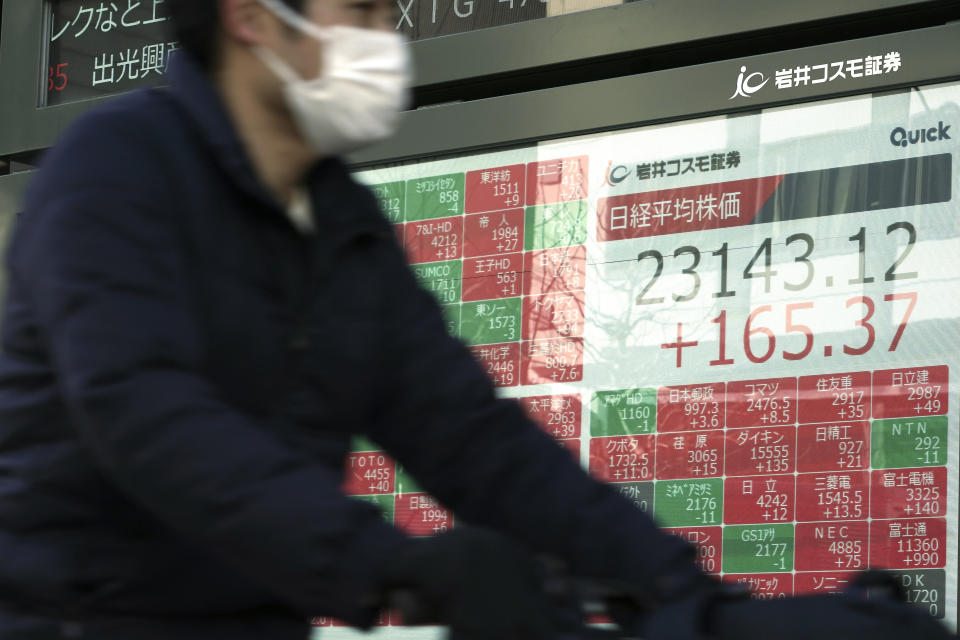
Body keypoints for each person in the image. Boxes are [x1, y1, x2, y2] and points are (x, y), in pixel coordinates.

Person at [0, 2, 953, 640]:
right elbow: (140, 406)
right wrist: (393, 570)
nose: (388, 35)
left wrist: (690, 600)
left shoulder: (342, 226)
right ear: (253, 17)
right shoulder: (117, 165)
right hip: (67, 618)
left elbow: (471, 437)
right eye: (362, 11)